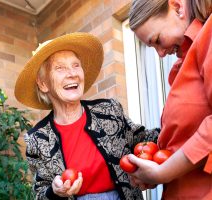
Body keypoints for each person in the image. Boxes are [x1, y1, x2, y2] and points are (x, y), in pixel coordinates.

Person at [14, 32, 160, 200]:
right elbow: (40, 193)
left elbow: (142, 140)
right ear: (43, 84)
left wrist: (175, 128)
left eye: (76, 65)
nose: (72, 73)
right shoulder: (37, 139)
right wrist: (54, 191)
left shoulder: (108, 110)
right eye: (60, 68)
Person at [127, 0, 212, 199]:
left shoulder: (209, 35)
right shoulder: (184, 64)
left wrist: (162, 173)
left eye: (156, 40)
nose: (161, 53)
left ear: (177, 7)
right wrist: (156, 166)